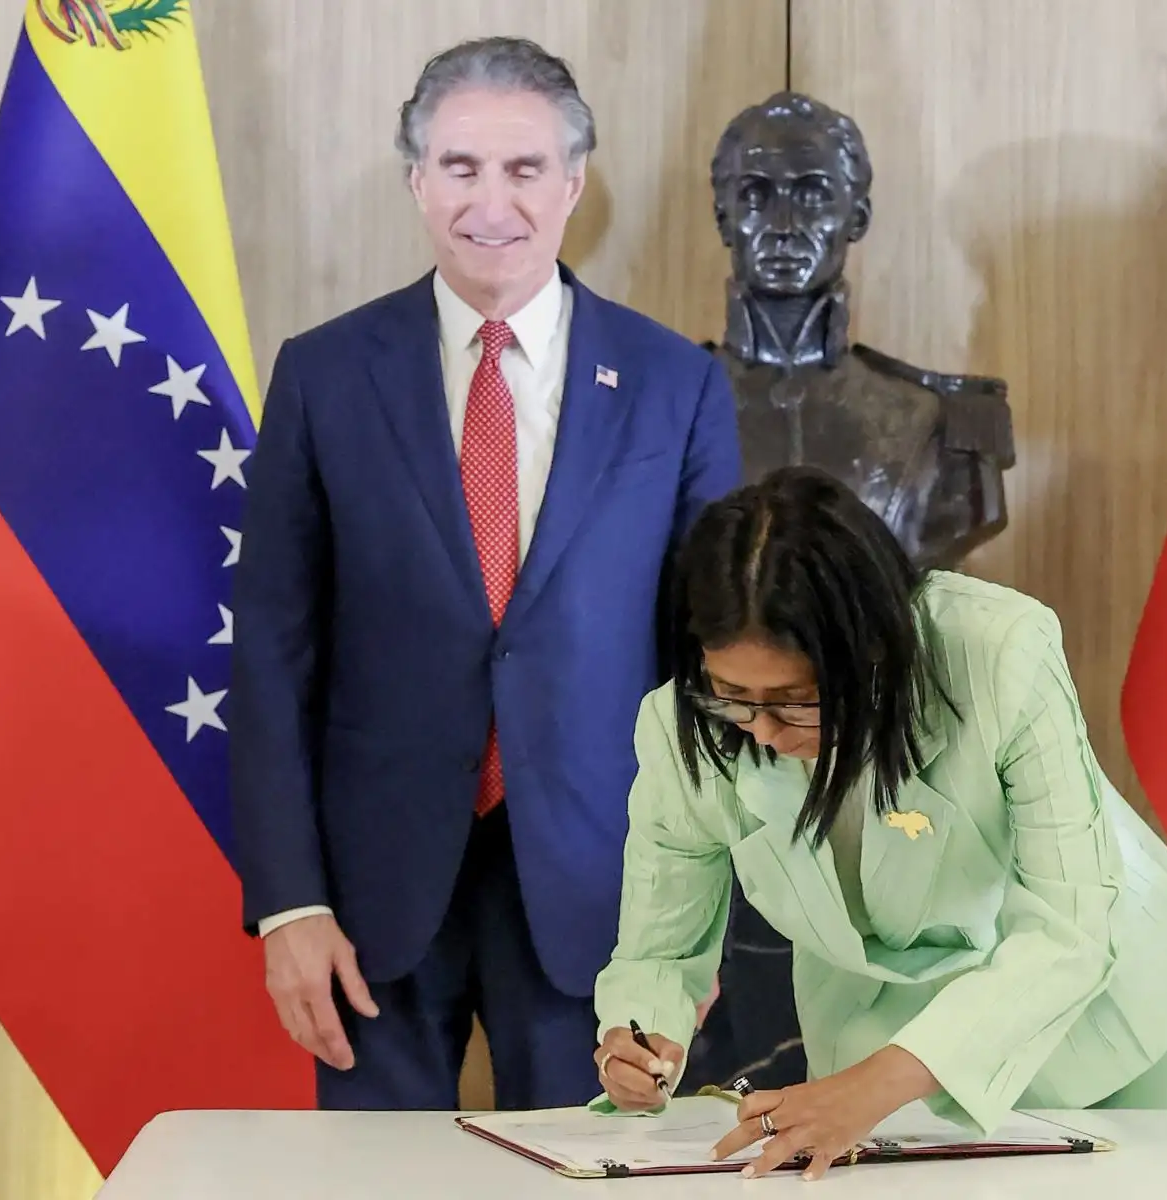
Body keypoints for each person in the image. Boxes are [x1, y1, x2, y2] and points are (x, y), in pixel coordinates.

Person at [229, 36, 742, 1111]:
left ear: (573, 182)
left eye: (522, 169)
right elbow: (274, 652)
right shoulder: (323, 374)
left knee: (594, 1177)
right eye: (460, 167)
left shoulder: (673, 384)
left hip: (604, 890)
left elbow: (711, 668)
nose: (490, 201)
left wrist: (690, 922)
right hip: (371, 894)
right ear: (416, 179)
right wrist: (288, 905)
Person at [589, 466, 1167, 1179]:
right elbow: (659, 948)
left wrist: (875, 1085)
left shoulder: (1000, 654)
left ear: (870, 651)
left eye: (796, 700)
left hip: (1081, 1018)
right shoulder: (683, 730)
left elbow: (1070, 929)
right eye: (732, 695)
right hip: (869, 1034)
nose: (760, 730)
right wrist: (633, 1039)